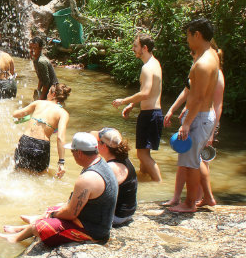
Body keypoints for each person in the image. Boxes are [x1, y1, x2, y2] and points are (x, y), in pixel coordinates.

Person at [0, 132, 118, 247]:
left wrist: (52, 215)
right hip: (96, 221)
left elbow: (71, 214)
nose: (72, 155)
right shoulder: (102, 164)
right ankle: (24, 229)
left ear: (79, 153)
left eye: (72, 152)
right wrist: (54, 212)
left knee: (41, 226)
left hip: (93, 231)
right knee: (54, 208)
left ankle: (16, 237)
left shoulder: (87, 179)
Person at [163, 46, 224, 207]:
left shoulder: (215, 74)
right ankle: (177, 197)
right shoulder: (198, 69)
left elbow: (217, 105)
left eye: (194, 54)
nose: (193, 58)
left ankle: (200, 199)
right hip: (192, 116)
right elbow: (189, 91)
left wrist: (212, 133)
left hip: (204, 121)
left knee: (195, 160)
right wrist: (174, 109)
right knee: (186, 159)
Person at [112, 33, 163, 182]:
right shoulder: (155, 63)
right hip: (154, 113)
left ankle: (159, 184)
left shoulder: (147, 68)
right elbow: (150, 91)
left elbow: (145, 93)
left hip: (150, 115)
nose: (133, 48)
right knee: (144, 153)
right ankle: (146, 183)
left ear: (144, 48)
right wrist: (132, 104)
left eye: (135, 46)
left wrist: (123, 101)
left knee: (142, 155)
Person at [12, 84, 71, 177]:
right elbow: (60, 138)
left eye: (48, 92)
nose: (47, 93)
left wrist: (28, 116)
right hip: (41, 146)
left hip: (25, 141)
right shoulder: (63, 113)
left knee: (18, 172)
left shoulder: (38, 103)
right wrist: (61, 162)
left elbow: (15, 114)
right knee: (39, 177)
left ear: (53, 94)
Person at [93, 127, 137, 226]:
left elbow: (96, 195)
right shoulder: (125, 159)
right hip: (128, 212)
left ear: (104, 146)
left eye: (98, 142)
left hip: (117, 217)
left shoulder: (111, 167)